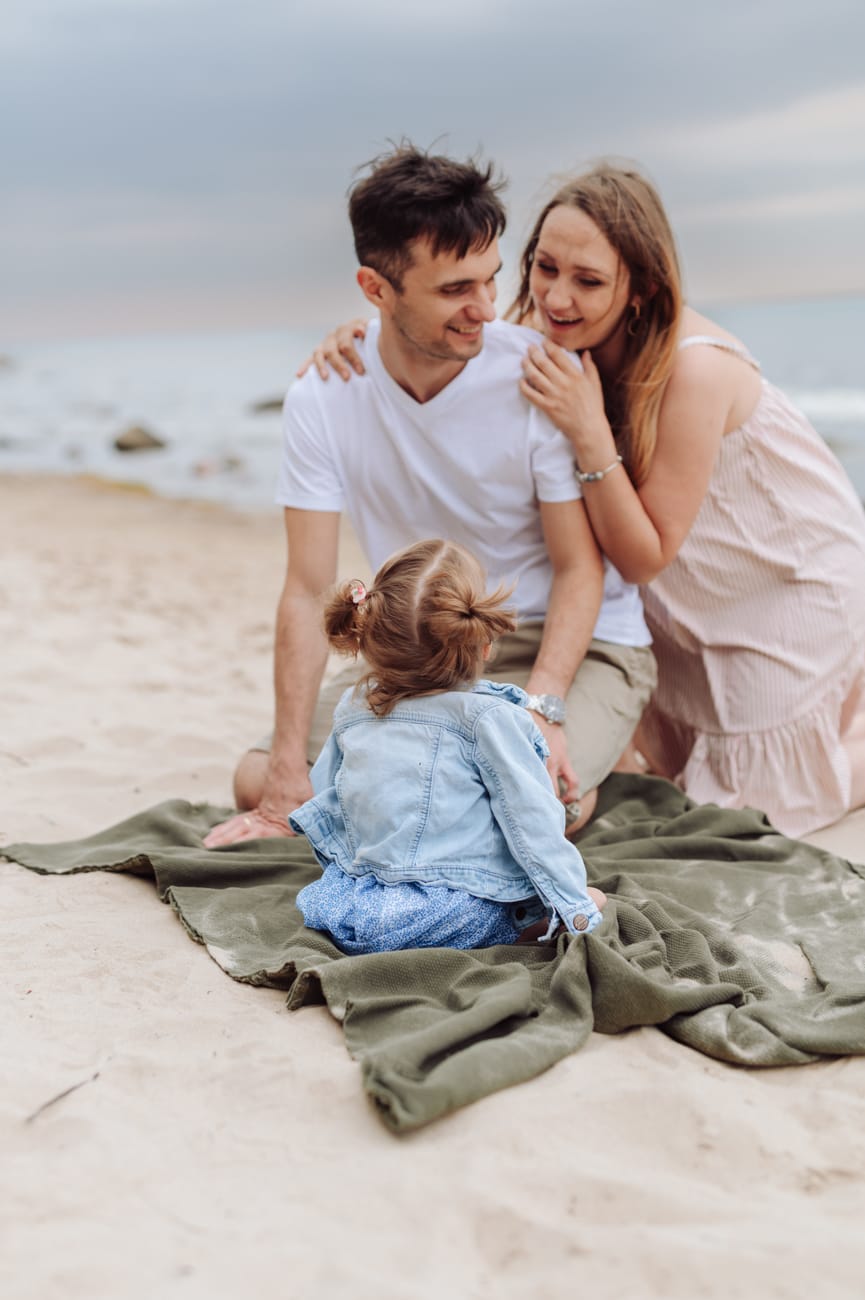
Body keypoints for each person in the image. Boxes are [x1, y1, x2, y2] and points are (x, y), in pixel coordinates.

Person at [303, 161, 865, 836]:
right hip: (682, 606)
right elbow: (429, 330)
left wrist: (589, 430)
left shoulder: (693, 367)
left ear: (641, 288)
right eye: (544, 268)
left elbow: (641, 559)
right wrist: (359, 331)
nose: (555, 298)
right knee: (671, 777)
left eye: (588, 281)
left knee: (760, 805)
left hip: (777, 585)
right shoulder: (557, 343)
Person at [204, 145, 656, 850]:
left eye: (490, 280)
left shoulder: (540, 376)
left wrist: (542, 706)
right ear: (376, 289)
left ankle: (591, 753)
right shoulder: (323, 397)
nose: (486, 310)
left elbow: (579, 570)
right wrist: (288, 770)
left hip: (566, 643)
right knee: (257, 776)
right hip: (429, 650)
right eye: (453, 291)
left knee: (519, 802)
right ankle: (560, 760)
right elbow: (305, 588)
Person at [291, 539, 606, 953]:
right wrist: (574, 906)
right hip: (447, 915)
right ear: (484, 641)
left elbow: (330, 799)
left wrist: (354, 872)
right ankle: (515, 934)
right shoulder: (490, 720)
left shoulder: (353, 708)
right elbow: (531, 822)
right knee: (592, 898)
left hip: (353, 914)